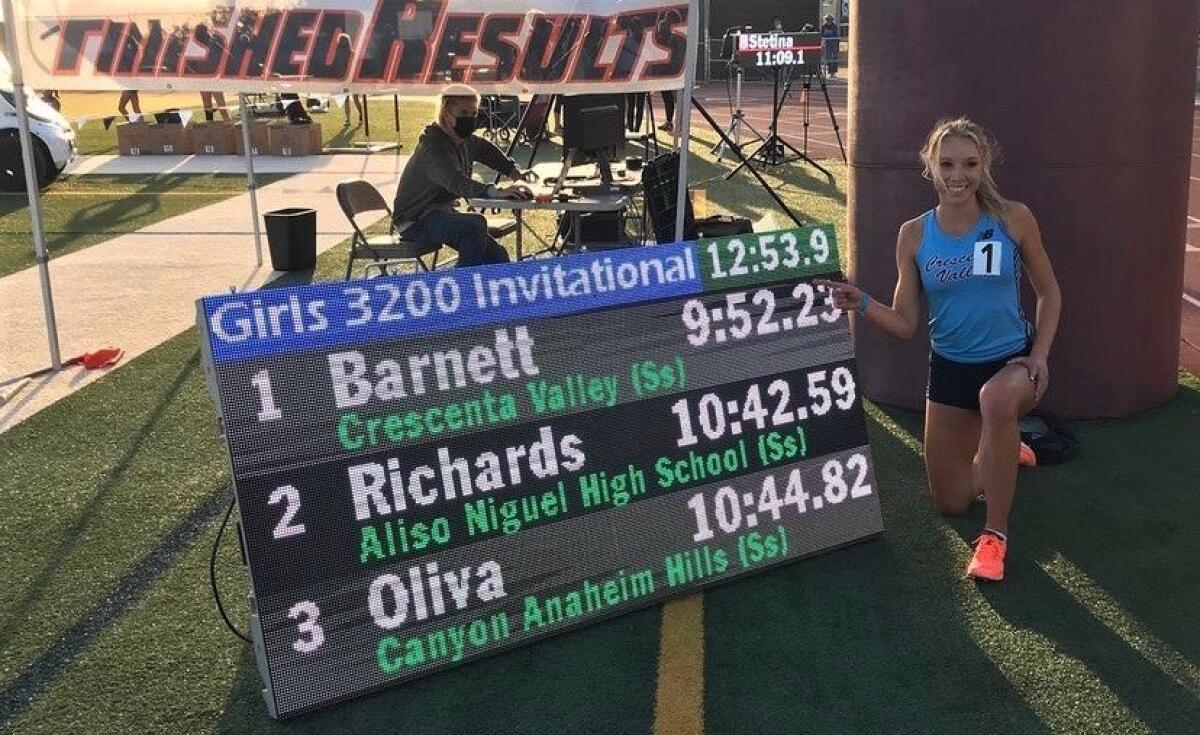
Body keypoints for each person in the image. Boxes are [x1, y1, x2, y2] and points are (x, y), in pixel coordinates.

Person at [817, 118, 1061, 582]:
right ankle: (1006, 450)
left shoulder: (1012, 218)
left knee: (996, 400)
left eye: (969, 164)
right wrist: (862, 302)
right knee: (950, 503)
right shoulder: (914, 235)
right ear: (930, 165)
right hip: (950, 371)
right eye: (946, 164)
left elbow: (1050, 293)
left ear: (984, 165)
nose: (958, 175)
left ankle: (995, 537)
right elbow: (906, 323)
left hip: (1012, 364)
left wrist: (1040, 356)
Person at [391, 85, 537, 267]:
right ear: (446, 113)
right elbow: (455, 182)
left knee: (497, 255)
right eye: (463, 113)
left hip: (442, 213)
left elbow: (485, 150)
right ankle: (462, 286)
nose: (469, 119)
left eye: (473, 114)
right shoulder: (433, 146)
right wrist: (495, 192)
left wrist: (514, 172)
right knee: (474, 225)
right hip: (416, 220)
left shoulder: (464, 140)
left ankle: (495, 291)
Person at [820, 14, 840, 78]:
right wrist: (823, 42)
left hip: (833, 44)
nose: (827, 21)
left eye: (829, 20)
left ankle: (833, 73)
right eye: (827, 19)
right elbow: (822, 35)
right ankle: (829, 71)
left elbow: (836, 35)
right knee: (828, 58)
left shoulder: (834, 27)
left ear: (831, 20)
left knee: (834, 57)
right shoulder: (824, 27)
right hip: (827, 45)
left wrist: (835, 43)